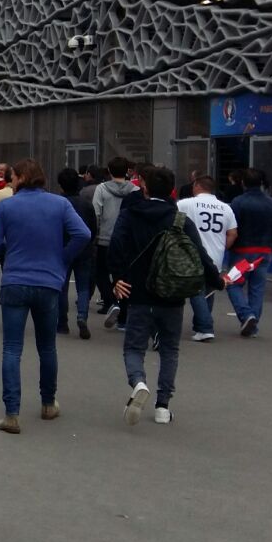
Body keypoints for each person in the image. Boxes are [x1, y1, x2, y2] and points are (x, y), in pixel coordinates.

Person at [109, 165, 222, 426]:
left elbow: (115, 247)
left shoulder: (130, 215)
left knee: (134, 347)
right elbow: (200, 255)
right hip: (172, 294)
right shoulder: (180, 219)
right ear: (172, 189)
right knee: (170, 349)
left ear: (144, 187)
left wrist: (117, 278)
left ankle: (138, 382)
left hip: (137, 291)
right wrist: (217, 281)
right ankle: (163, 406)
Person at [0, 160, 89, 433]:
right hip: (49, 281)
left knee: (11, 349)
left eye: (12, 177)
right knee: (47, 346)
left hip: (15, 281)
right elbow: (83, 234)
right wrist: (62, 258)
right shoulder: (59, 204)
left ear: (20, 178)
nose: (10, 181)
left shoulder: (7, 206)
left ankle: (11, 413)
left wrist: (10, 248)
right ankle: (48, 403)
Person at [176, 175, 236, 341]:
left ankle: (205, 327)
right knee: (209, 291)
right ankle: (201, 325)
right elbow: (232, 233)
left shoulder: (186, 204)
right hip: (216, 255)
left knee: (196, 291)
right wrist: (222, 247)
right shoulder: (226, 208)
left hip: (193, 254)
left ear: (196, 186)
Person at [227, 169, 272, 335]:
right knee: (257, 288)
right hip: (264, 249)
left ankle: (246, 315)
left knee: (233, 283)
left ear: (243, 183)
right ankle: (253, 322)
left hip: (242, 249)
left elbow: (233, 226)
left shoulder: (238, 202)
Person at [92, 157, 139, 327]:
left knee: (101, 273)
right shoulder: (135, 190)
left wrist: (95, 234)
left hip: (105, 238)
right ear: (127, 171)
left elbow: (96, 213)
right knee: (125, 276)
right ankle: (123, 317)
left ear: (109, 171)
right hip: (128, 239)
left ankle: (112, 301)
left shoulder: (102, 188)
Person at [57, 167, 99, 338]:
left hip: (63, 248)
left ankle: (62, 322)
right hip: (84, 249)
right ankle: (82, 316)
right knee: (83, 287)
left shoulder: (58, 203)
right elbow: (93, 228)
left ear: (61, 185)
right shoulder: (86, 204)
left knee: (62, 286)